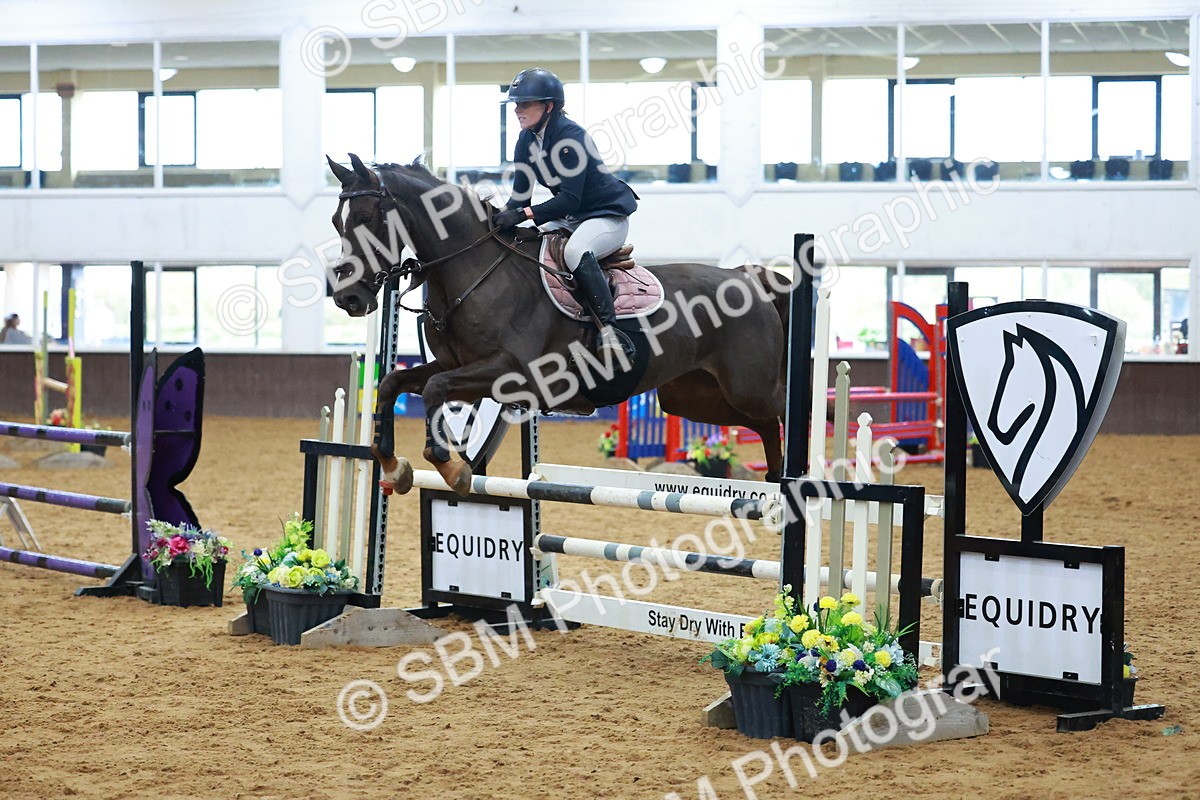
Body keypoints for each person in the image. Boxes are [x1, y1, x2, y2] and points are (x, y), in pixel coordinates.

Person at [493, 67, 638, 360]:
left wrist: (523, 215)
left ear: (549, 106)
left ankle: (610, 332)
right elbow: (520, 197)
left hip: (605, 216)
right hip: (571, 217)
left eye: (526, 104)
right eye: (516, 104)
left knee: (575, 252)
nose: (518, 110)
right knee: (528, 246)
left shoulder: (572, 138)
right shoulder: (525, 140)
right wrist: (492, 218)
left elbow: (570, 200)